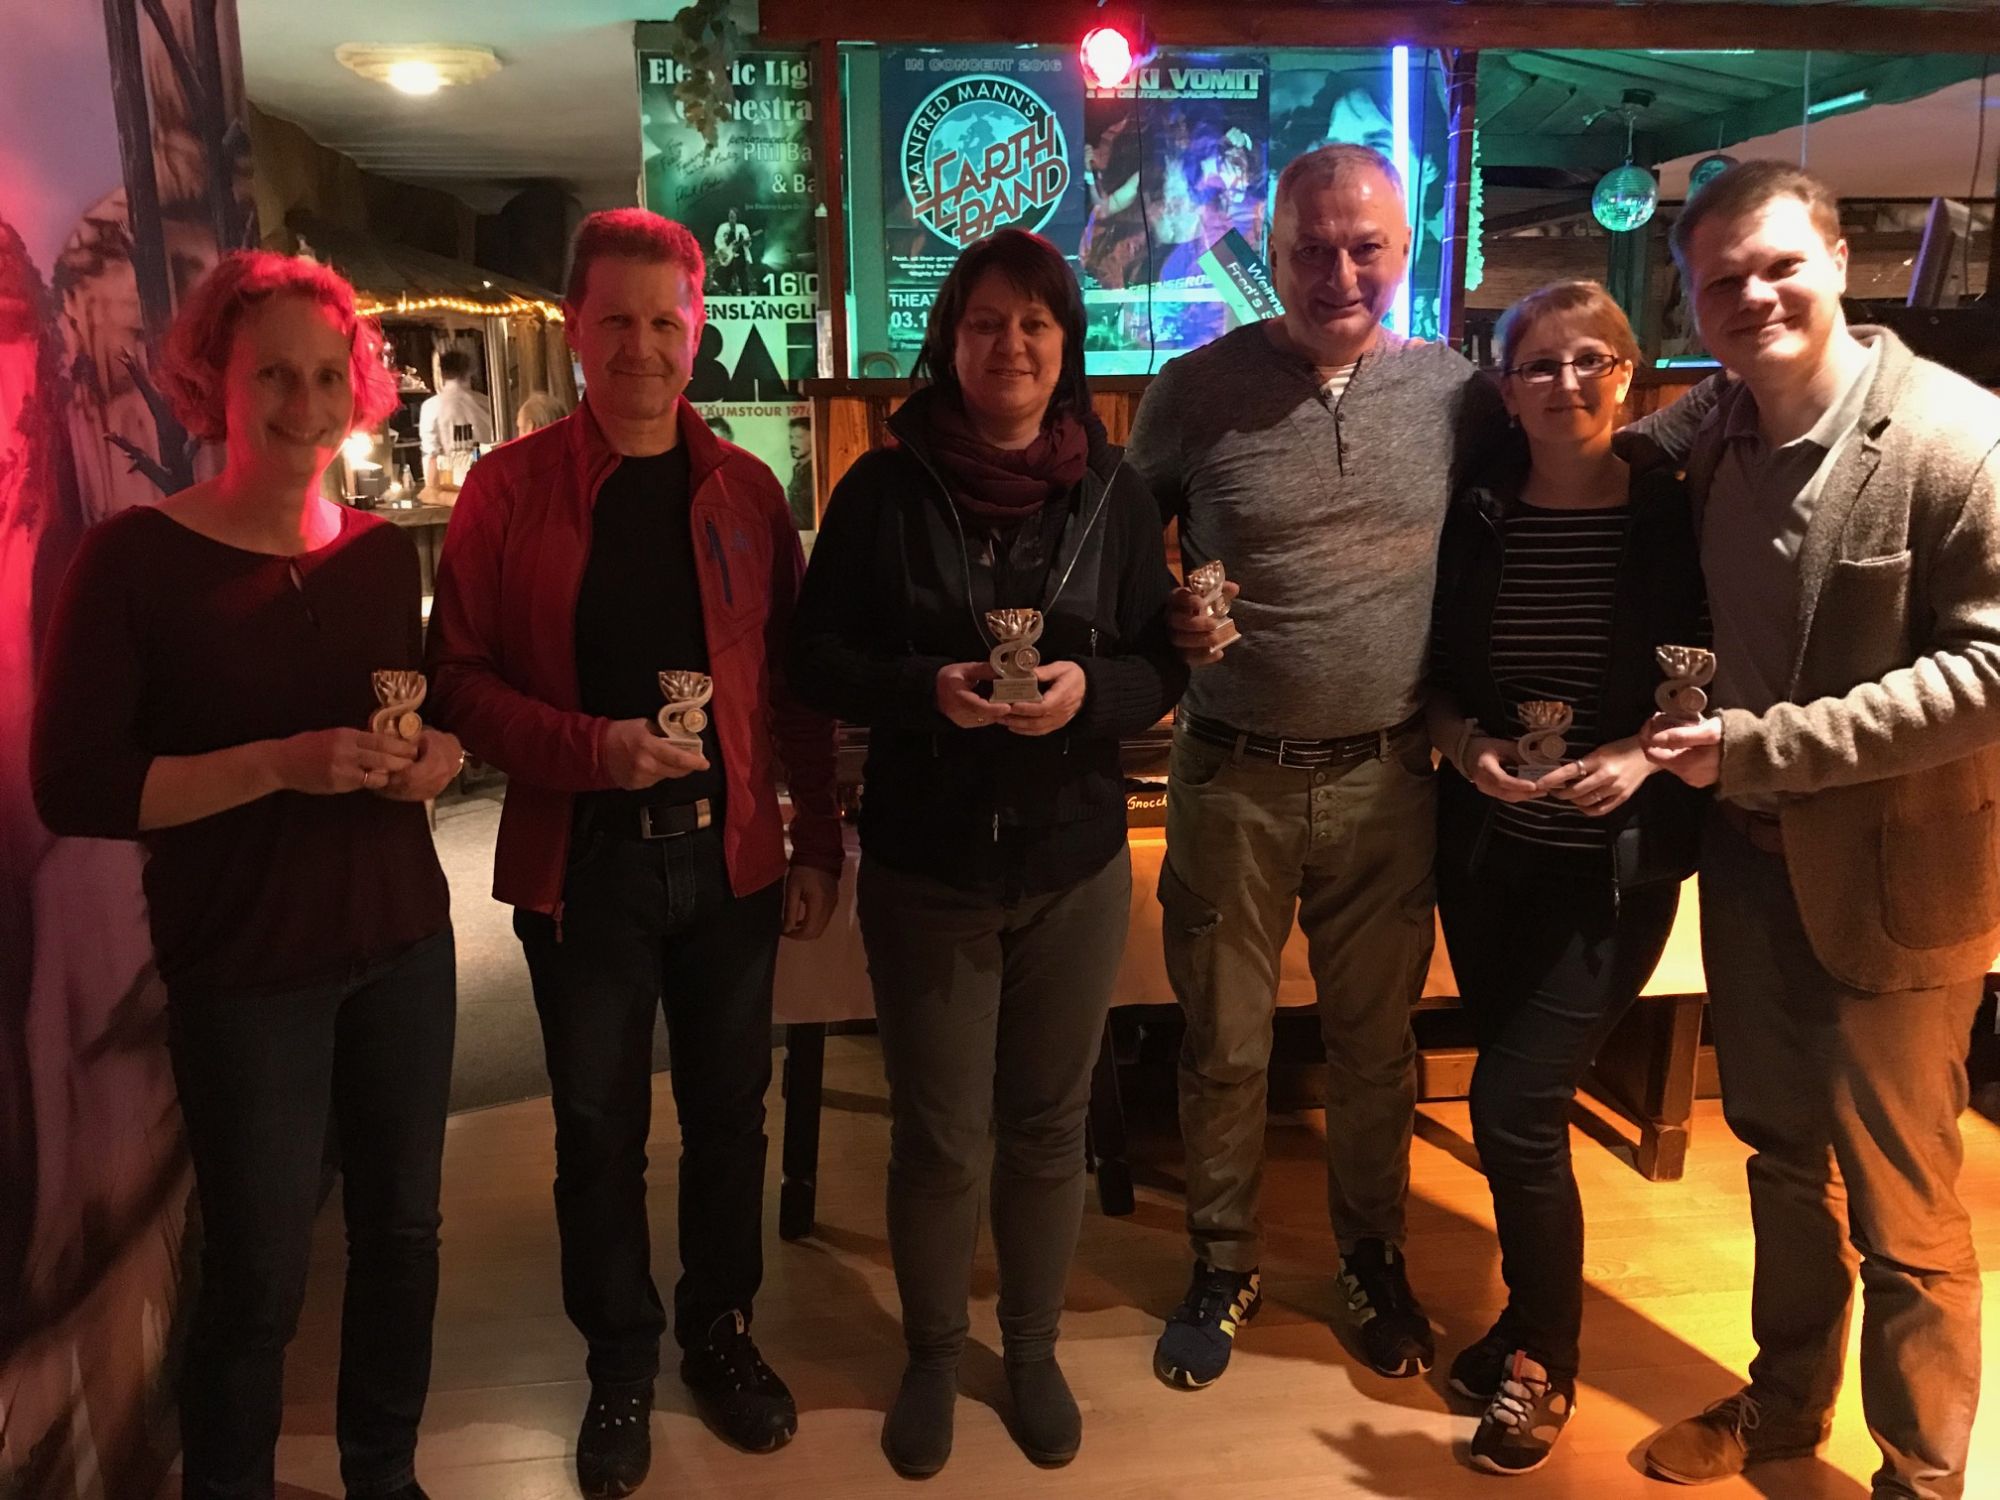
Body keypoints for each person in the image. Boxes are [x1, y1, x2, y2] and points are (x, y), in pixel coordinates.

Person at [30, 251, 463, 1500]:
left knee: (403, 1235)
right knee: (260, 1274)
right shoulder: (133, 561)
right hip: (246, 969)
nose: (303, 402)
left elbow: (410, 725)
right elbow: (77, 787)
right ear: (209, 381)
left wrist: (433, 760)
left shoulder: (379, 557)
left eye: (328, 375)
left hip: (403, 941)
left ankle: (384, 1473)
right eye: (272, 373)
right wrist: (275, 764)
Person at [424, 208, 842, 1499]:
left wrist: (819, 837)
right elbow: (459, 682)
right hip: (585, 860)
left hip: (730, 862)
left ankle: (718, 1333)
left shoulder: (748, 491)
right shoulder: (507, 490)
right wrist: (592, 749)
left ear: (697, 330)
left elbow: (792, 689)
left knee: (729, 1118)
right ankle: (617, 1360)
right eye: (617, 320)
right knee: (598, 1131)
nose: (644, 348)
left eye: (667, 321)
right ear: (574, 327)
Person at [789, 228, 1187, 1479]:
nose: (1008, 344)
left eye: (1033, 322)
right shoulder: (880, 490)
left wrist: (1088, 692)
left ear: (1065, 345)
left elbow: (1159, 664)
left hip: (1075, 863)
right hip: (928, 864)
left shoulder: (1116, 493)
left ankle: (1027, 1351)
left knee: (1047, 1126)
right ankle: (929, 1351)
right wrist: (928, 690)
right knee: (939, 1136)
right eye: (982, 322)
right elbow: (814, 658)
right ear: (947, 341)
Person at [1634, 161, 1999, 1498]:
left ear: (1840, 263)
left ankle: (1920, 1477)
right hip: (1748, 870)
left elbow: (1990, 675)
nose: (1754, 296)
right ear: (1691, 301)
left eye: (1780, 265)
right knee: (1783, 1162)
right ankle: (1786, 1405)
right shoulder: (1716, 427)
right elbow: (1613, 448)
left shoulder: (1959, 439)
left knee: (1905, 1209)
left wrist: (1757, 747)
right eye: (1720, 279)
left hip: (1897, 888)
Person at [1125, 142, 1505, 1391]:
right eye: (1310, 249)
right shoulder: (1190, 391)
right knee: (1222, 1045)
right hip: (1228, 775)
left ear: (1405, 249)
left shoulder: (1459, 397)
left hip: (1387, 778)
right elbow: (1119, 556)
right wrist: (1165, 617)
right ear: (1270, 253)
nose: (1338, 272)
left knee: (1374, 1048)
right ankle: (1220, 1260)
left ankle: (1371, 1259)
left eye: (1364, 247)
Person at [1425, 281, 1706, 1475]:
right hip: (1487, 860)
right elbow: (1438, 681)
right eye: (1538, 364)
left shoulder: (1676, 517)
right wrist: (1465, 749)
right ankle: (1521, 1317)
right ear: (1504, 388)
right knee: (1520, 1117)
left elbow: (1727, 672)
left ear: (1629, 376)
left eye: (1591, 359)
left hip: (1610, 876)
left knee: (1509, 1108)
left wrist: (1642, 753)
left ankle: (1546, 1357)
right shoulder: (1478, 516)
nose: (1565, 382)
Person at [417, 346, 493, 490]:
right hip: (488, 480)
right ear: (469, 371)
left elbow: (431, 454)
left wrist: (431, 491)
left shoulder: (431, 407)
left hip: (451, 485)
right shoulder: (487, 403)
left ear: (441, 373)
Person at [713, 207, 755, 297]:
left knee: (742, 275)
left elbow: (747, 241)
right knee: (727, 274)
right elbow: (717, 240)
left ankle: (745, 294)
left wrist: (746, 242)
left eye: (733, 215)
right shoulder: (723, 227)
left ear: (737, 216)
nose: (732, 216)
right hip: (727, 254)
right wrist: (724, 251)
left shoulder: (742, 227)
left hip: (740, 254)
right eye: (730, 214)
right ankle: (725, 291)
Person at [784, 415, 813, 529]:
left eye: (799, 437)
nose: (793, 443)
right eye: (791, 437)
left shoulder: (813, 473)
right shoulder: (798, 470)